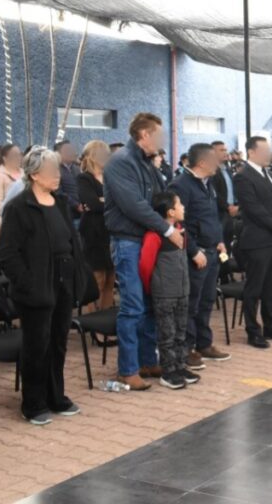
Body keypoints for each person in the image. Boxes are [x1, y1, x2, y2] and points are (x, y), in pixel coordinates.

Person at [0, 147, 86, 426]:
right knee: (37, 345)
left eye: (57, 170)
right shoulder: (19, 207)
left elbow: (71, 239)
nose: (57, 176)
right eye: (51, 171)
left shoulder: (59, 202)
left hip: (63, 278)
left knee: (59, 341)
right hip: (37, 284)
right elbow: (8, 254)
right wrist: (28, 283)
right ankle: (33, 403)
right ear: (35, 175)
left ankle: (56, 396)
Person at [104, 112, 181, 391]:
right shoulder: (121, 162)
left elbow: (161, 198)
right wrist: (167, 229)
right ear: (144, 135)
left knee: (149, 305)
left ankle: (148, 361)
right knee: (133, 306)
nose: (161, 141)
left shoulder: (148, 164)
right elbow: (133, 205)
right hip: (128, 242)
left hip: (148, 241)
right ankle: (128, 369)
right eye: (158, 135)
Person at [169, 144, 231, 368]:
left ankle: (204, 343)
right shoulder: (181, 185)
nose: (218, 162)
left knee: (206, 300)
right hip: (196, 253)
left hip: (213, 249)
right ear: (203, 162)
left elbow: (212, 216)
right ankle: (187, 348)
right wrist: (193, 250)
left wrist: (220, 240)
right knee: (190, 303)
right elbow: (179, 223)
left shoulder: (208, 183)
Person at [234, 136, 272, 349]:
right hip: (257, 240)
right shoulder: (243, 177)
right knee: (255, 288)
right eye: (264, 150)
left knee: (271, 285)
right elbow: (254, 209)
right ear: (251, 152)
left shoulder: (271, 174)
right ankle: (253, 330)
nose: (269, 154)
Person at [139, 191, 198, 390]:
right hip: (164, 292)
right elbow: (146, 266)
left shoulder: (180, 230)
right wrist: (152, 287)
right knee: (167, 334)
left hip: (182, 289)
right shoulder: (154, 235)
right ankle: (168, 370)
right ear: (170, 212)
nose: (184, 208)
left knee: (181, 331)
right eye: (180, 205)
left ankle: (180, 366)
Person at [77, 140, 115, 311]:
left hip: (111, 231)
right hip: (94, 233)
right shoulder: (84, 178)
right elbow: (92, 203)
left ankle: (105, 318)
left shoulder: (110, 176)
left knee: (110, 279)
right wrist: (108, 202)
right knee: (97, 279)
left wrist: (103, 201)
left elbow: (122, 199)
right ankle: (92, 321)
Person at [0, 143, 22, 243]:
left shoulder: (25, 174)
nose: (18, 157)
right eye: (14, 154)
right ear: (5, 158)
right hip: (6, 229)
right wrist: (8, 228)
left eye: (19, 154)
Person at [210, 141, 239, 254]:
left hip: (230, 214)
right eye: (221, 150)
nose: (225, 152)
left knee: (228, 242)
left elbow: (232, 189)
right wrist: (228, 207)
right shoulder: (211, 170)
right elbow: (215, 193)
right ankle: (220, 269)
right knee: (219, 244)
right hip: (219, 213)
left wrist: (235, 206)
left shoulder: (227, 169)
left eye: (226, 150)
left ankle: (225, 267)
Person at [54, 141, 83, 221]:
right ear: (60, 153)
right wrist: (76, 205)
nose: (73, 152)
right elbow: (58, 192)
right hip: (66, 215)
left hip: (81, 214)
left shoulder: (77, 168)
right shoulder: (55, 169)